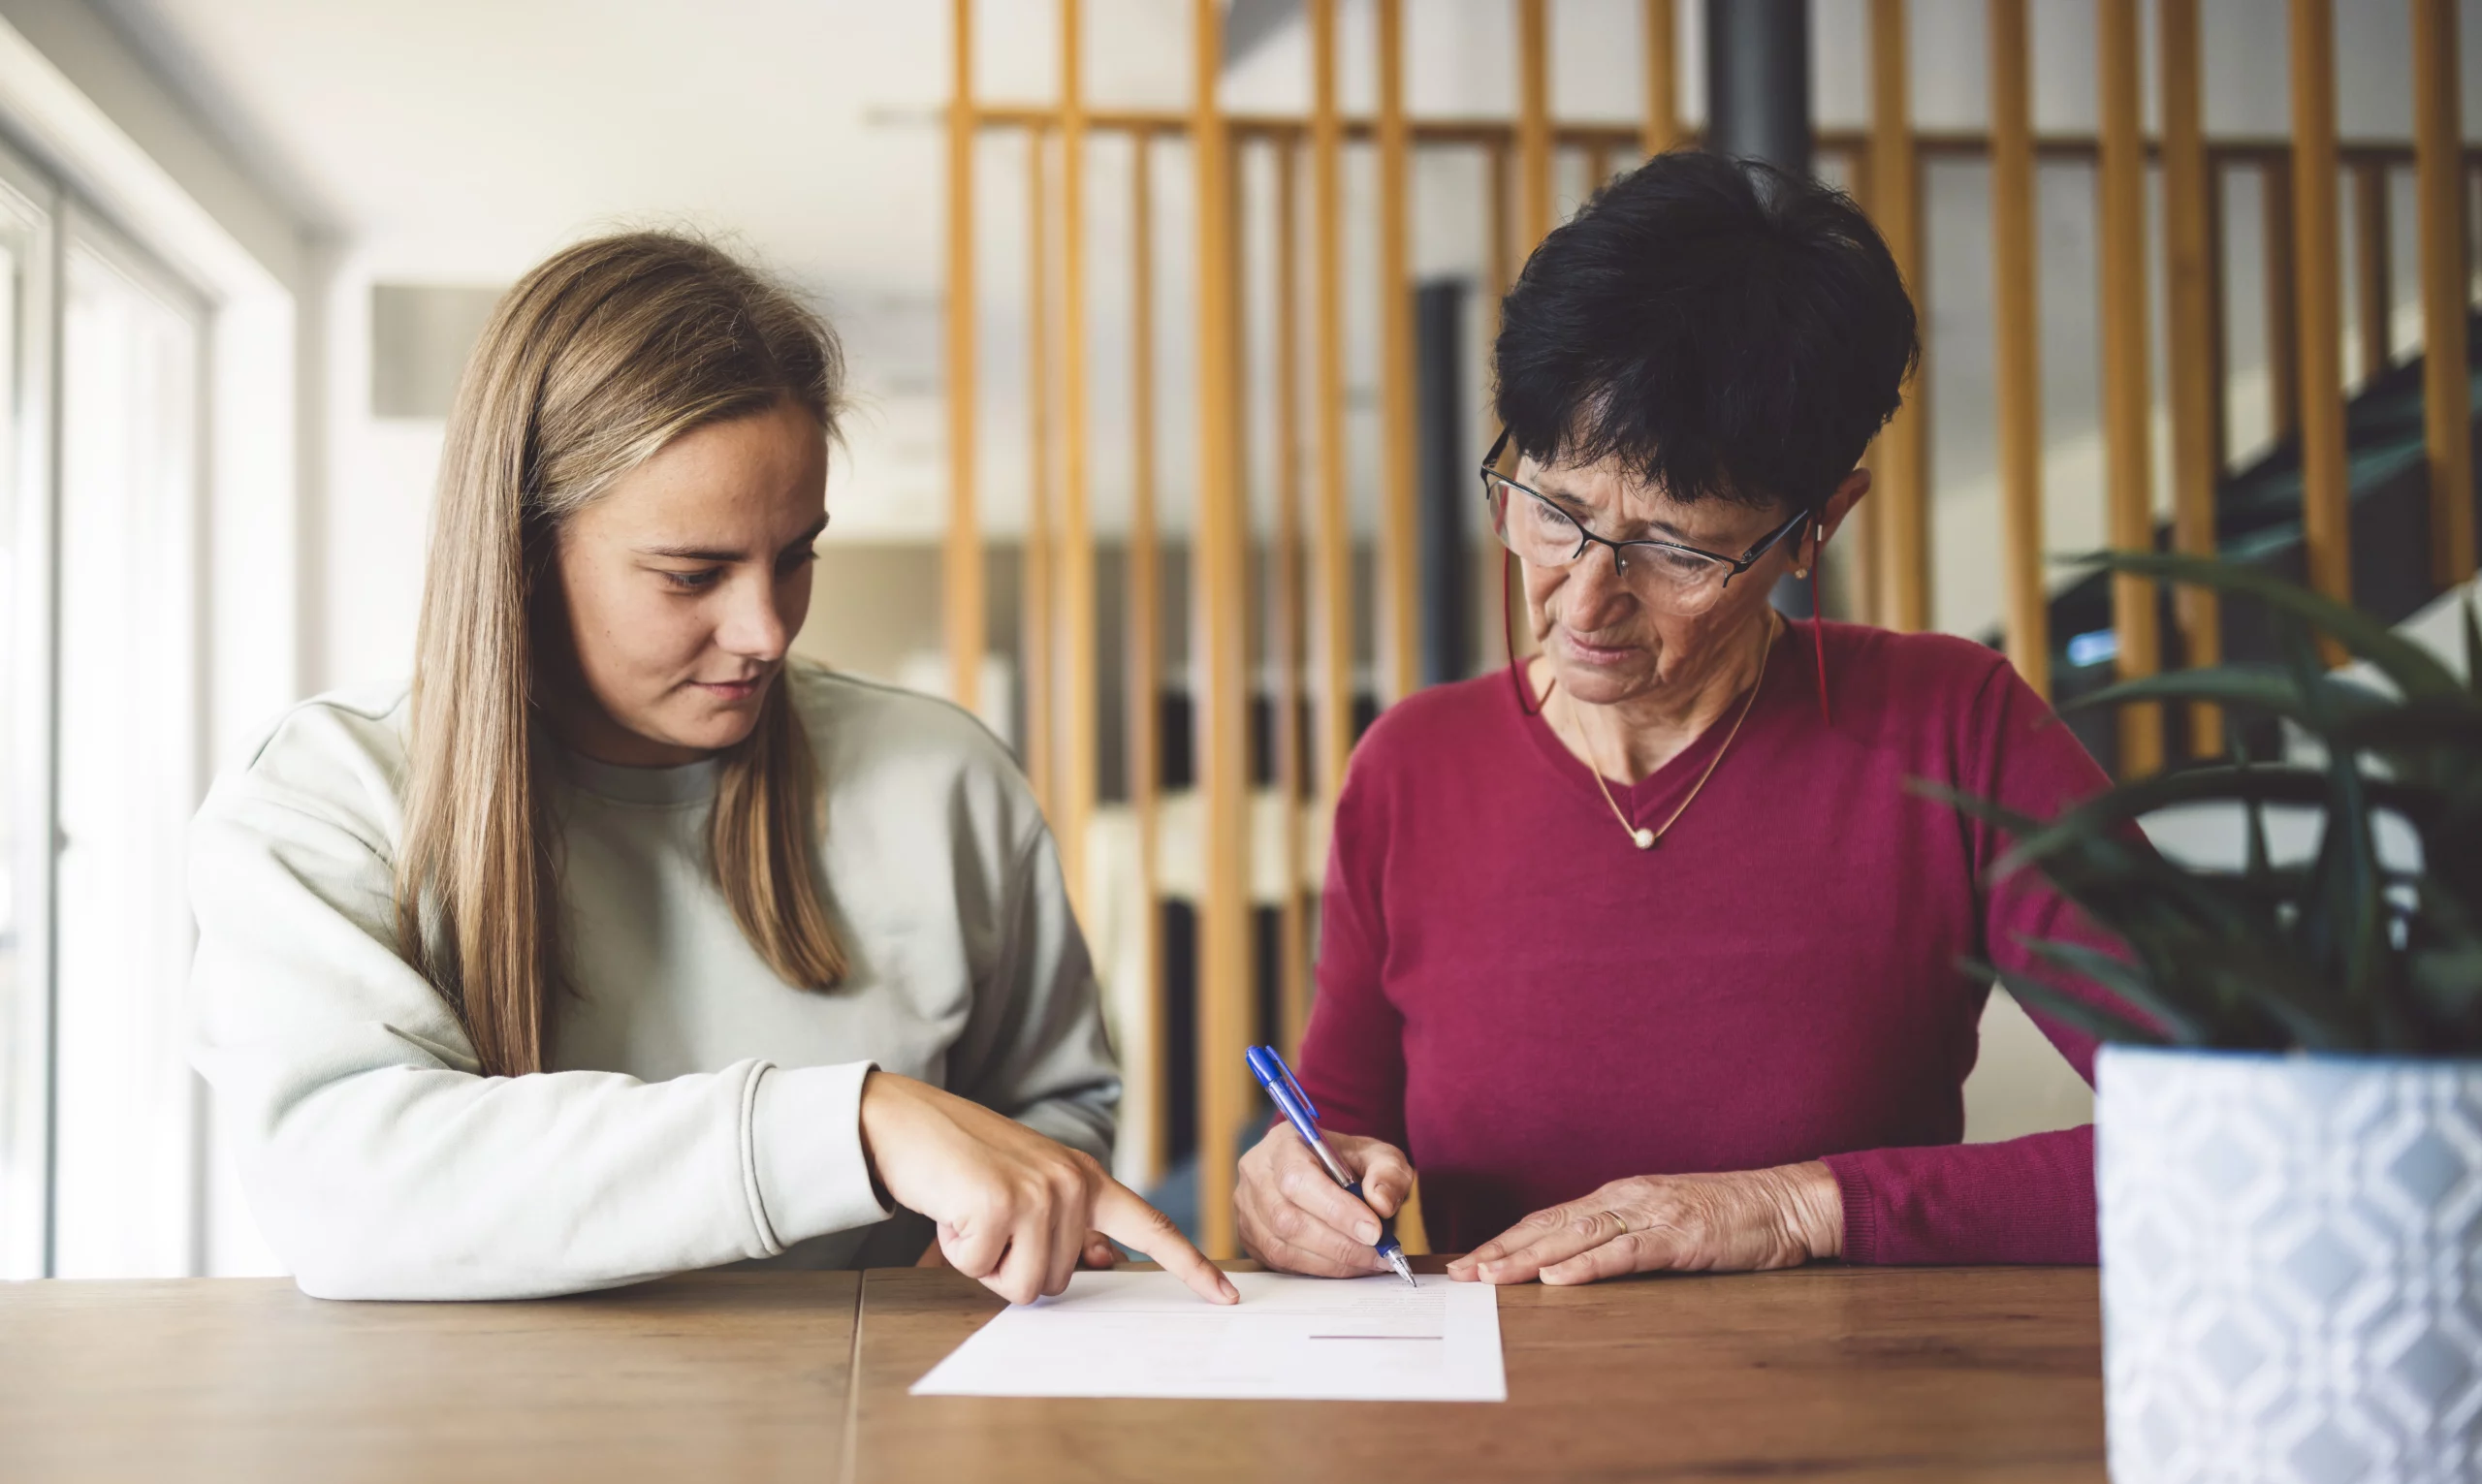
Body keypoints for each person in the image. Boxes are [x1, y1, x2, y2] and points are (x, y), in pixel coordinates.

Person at [190, 232, 1232, 1308]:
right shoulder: (327, 794)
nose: (768, 630)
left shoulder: (946, 778)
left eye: (796, 556)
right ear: (522, 552)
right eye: (694, 573)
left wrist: (992, 1240)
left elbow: (1052, 1109)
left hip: (884, 1425)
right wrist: (854, 1123)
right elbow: (350, 1192)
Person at [1237, 151, 2114, 1286]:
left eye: (1674, 547)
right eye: (1551, 509)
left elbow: (2255, 1136)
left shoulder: (1954, 730)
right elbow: (1346, 1135)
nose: (1583, 599)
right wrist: (1294, 1188)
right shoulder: (1411, 768)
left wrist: (1801, 1207)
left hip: (1852, 1438)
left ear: (1816, 525)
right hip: (1480, 1437)